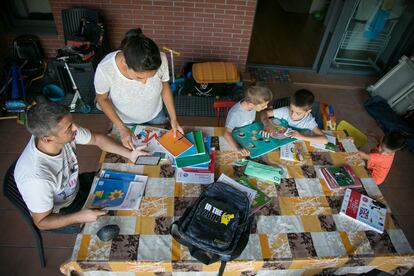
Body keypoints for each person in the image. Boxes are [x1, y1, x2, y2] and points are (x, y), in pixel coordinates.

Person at [14, 101, 148, 232]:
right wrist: (80, 217)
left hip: (76, 186)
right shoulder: (36, 179)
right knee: (122, 224)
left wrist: (130, 154)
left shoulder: (61, 133)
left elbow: (97, 139)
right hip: (64, 211)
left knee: (136, 187)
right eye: (69, 128)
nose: (76, 129)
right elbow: (42, 222)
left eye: (72, 123)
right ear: (48, 139)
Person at [94, 28, 183, 150]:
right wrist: (121, 127)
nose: (144, 83)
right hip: (124, 121)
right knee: (132, 154)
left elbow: (164, 85)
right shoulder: (105, 69)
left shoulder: (161, 59)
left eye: (150, 77)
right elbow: (102, 99)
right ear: (125, 62)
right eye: (139, 77)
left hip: (155, 115)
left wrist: (173, 118)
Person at [261, 89, 328, 144]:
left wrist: (301, 136)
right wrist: (266, 124)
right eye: (291, 110)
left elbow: (324, 140)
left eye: (298, 113)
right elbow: (264, 113)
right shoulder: (285, 111)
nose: (293, 115)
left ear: (307, 112)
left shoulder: (308, 122)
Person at [224, 85, 273, 156]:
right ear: (251, 104)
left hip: (247, 134)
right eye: (263, 106)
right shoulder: (235, 114)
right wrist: (237, 148)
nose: (266, 107)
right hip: (236, 139)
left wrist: (266, 125)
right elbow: (226, 133)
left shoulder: (252, 105)